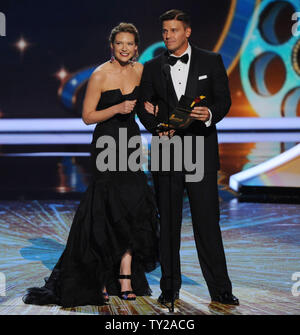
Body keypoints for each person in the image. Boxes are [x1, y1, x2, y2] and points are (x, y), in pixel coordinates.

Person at [23, 22, 159, 307]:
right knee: (106, 210)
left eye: (129, 43)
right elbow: (87, 116)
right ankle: (97, 276)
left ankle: (125, 275)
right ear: (112, 46)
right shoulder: (100, 74)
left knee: (133, 209)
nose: (124, 48)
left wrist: (150, 108)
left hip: (131, 142)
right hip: (106, 142)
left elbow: (147, 103)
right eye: (119, 43)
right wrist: (117, 108)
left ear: (136, 48)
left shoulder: (141, 71)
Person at [138, 9, 239, 305]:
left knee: (207, 223)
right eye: (165, 31)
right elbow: (144, 107)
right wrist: (157, 127)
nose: (168, 35)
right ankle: (169, 288)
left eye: (173, 30)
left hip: (201, 151)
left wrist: (209, 114)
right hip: (167, 151)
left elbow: (223, 100)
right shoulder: (152, 66)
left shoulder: (212, 60)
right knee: (168, 223)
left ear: (188, 32)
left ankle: (220, 290)